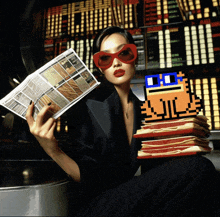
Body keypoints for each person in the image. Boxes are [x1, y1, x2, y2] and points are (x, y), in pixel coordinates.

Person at [26, 26, 220, 216]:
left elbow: (153, 170)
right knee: (199, 168)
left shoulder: (142, 109)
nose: (116, 63)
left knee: (199, 174)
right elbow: (87, 176)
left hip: (128, 199)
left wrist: (179, 137)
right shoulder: (87, 104)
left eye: (124, 53)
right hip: (95, 204)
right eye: (105, 58)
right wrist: (52, 149)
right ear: (100, 67)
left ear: (135, 58)